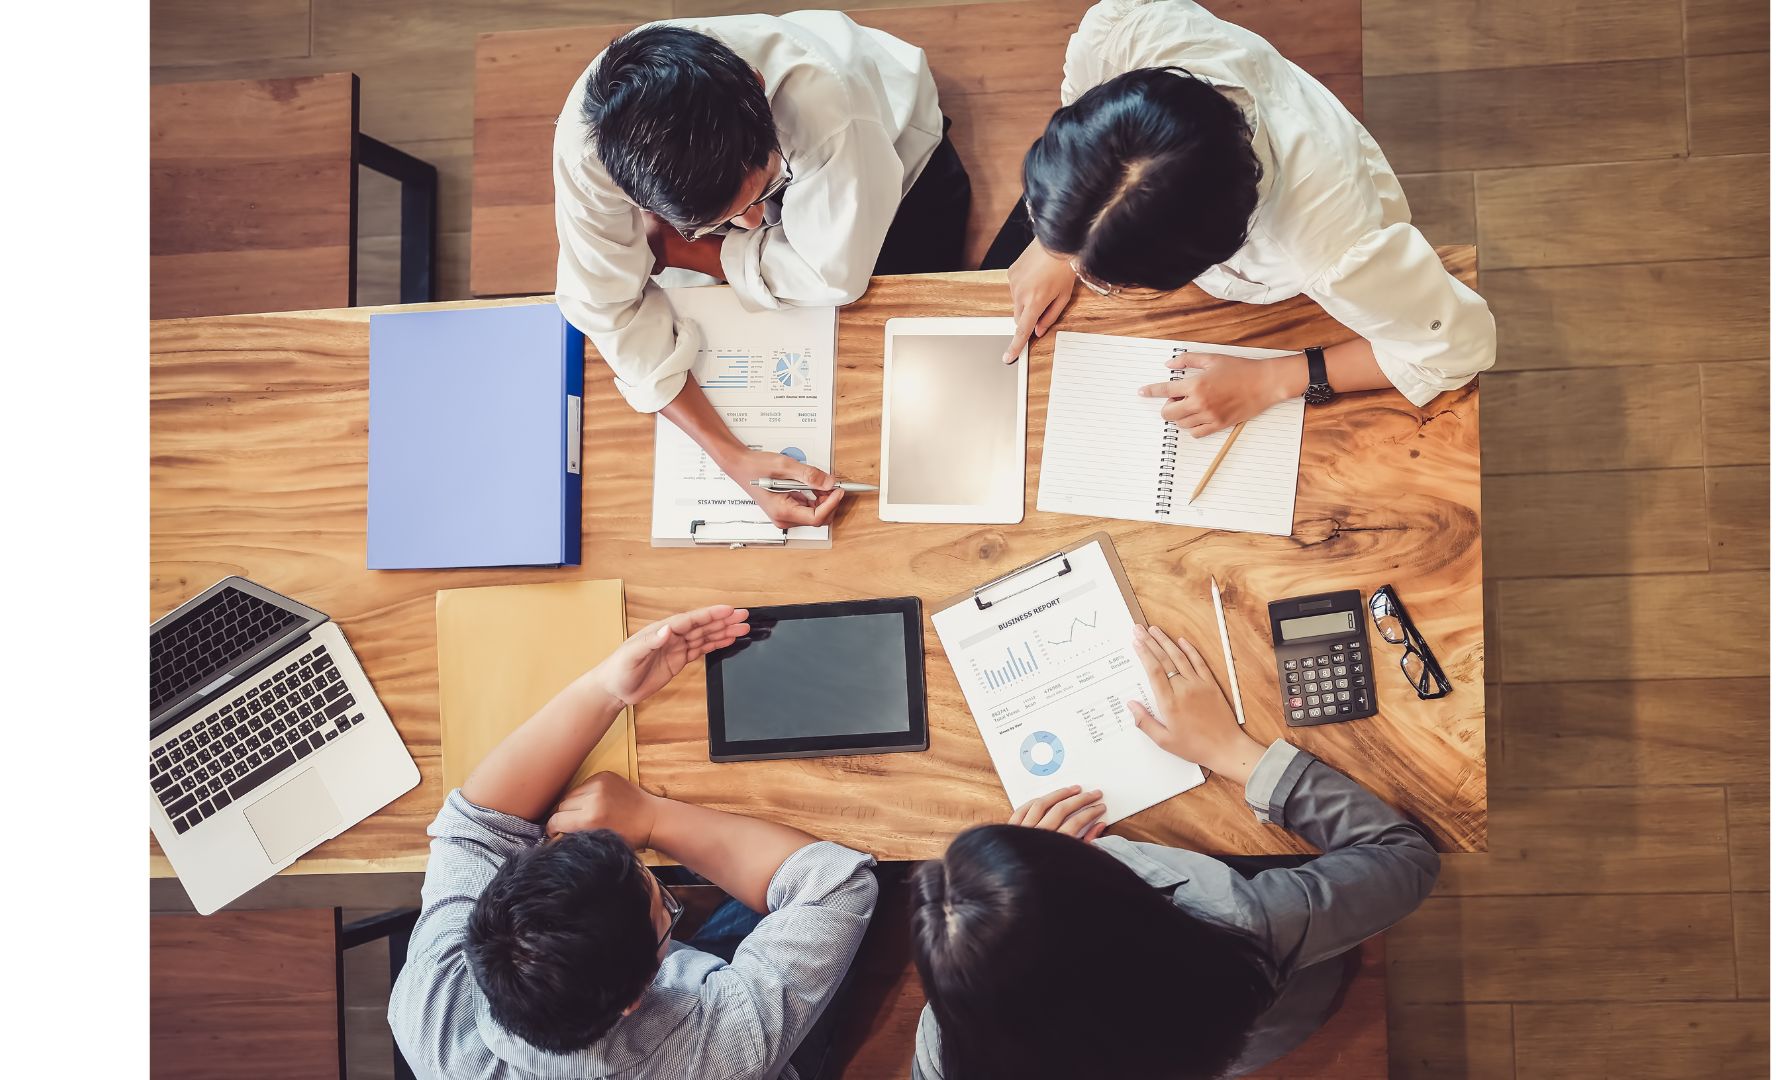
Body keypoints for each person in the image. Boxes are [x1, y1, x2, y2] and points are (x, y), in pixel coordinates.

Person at [907, 623, 1439, 1080]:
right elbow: (1403, 857)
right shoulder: (1239, 920)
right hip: (1268, 1016)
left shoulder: (946, 1047)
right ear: (1109, 890)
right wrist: (1232, 751)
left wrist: (1009, 908)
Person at [388, 605, 879, 1080]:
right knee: (864, 860)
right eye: (662, 907)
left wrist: (605, 689)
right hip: (731, 1039)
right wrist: (651, 819)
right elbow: (837, 882)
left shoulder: (430, 1009)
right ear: (635, 997)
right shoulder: (723, 1050)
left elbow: (478, 828)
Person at [985, 0, 1495, 435]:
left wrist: (1271, 380)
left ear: (1215, 248)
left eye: (1115, 280)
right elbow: (1087, 105)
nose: (1081, 270)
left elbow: (1455, 350)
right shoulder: (1130, 31)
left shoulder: (1330, 248)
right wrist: (1066, 233)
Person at [555, 13, 971, 528]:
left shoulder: (825, 103)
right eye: (722, 221)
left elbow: (834, 275)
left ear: (757, 84)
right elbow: (605, 309)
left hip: (896, 156)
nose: (753, 224)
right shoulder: (588, 153)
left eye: (761, 191)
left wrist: (696, 251)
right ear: (631, 194)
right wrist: (734, 460)